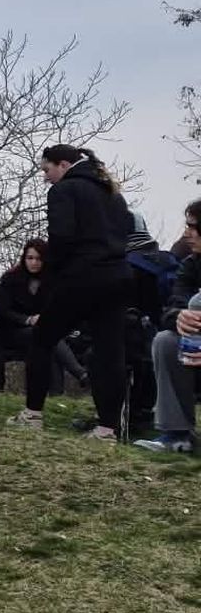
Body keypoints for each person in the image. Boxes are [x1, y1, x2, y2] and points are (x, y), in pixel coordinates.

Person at [12, 145, 134, 440]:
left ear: (63, 165)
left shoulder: (64, 190)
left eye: (47, 170)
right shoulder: (112, 192)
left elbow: (61, 238)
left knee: (42, 339)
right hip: (118, 276)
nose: (45, 177)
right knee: (110, 352)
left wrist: (52, 275)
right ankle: (107, 429)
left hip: (81, 277)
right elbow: (127, 229)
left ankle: (32, 414)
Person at [135, 198, 201, 454]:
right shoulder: (191, 265)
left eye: (193, 226)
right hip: (196, 350)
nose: (187, 233)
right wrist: (179, 316)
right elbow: (171, 307)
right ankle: (177, 434)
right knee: (165, 341)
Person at [0, 241, 87, 390]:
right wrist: (28, 320)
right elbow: (3, 311)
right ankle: (80, 373)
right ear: (24, 258)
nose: (34, 263)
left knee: (48, 343)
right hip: (12, 332)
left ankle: (56, 395)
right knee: (47, 336)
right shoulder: (10, 279)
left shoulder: (52, 280)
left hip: (44, 331)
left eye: (38, 259)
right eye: (30, 258)